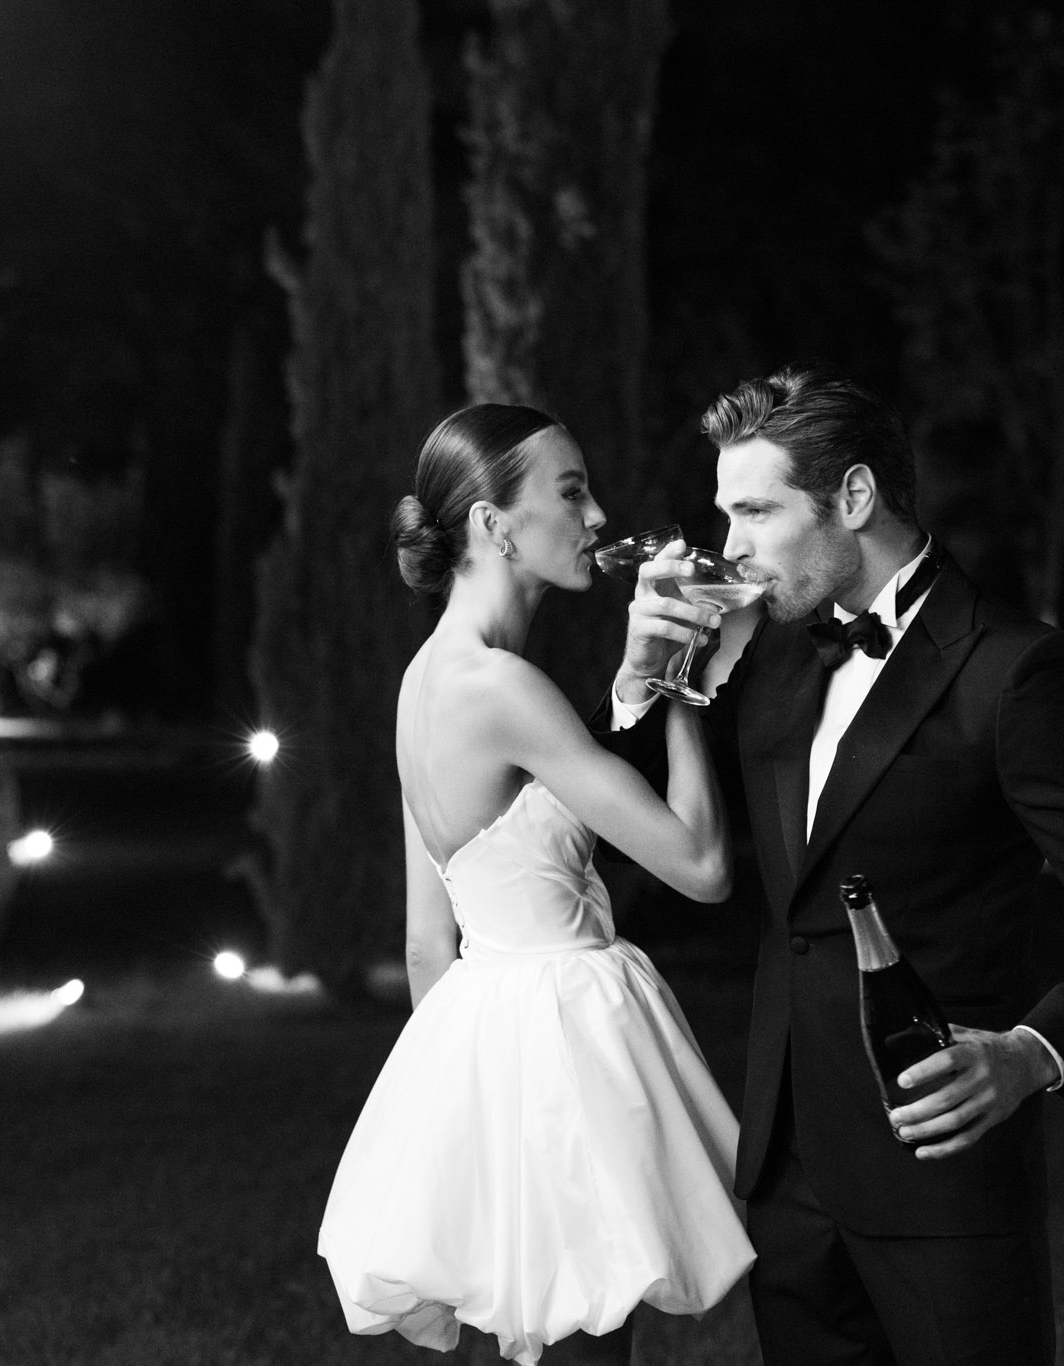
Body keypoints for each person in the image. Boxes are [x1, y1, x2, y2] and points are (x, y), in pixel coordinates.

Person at [607, 367, 1064, 1365]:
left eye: (755, 511)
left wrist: (1030, 1053)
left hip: (942, 1181)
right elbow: (632, 822)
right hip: (788, 1175)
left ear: (853, 497)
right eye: (726, 514)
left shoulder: (1014, 670)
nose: (731, 546)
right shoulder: (774, 652)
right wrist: (639, 682)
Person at [317, 404, 755, 1366]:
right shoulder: (502, 688)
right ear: (494, 524)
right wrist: (684, 676)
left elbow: (428, 943)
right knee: (588, 1334)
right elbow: (703, 867)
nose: (596, 516)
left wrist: (475, 1132)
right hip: (566, 1056)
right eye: (571, 492)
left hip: (495, 1041)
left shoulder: (427, 680)